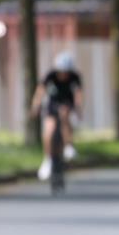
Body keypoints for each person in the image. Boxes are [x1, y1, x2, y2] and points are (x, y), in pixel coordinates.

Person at [32, 51, 83, 181]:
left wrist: (78, 109)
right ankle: (48, 159)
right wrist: (36, 105)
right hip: (52, 103)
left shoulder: (74, 77)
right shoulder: (50, 75)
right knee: (49, 130)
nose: (63, 75)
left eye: (66, 72)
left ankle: (68, 146)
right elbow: (40, 91)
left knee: (65, 115)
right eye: (61, 71)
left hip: (67, 102)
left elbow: (78, 94)